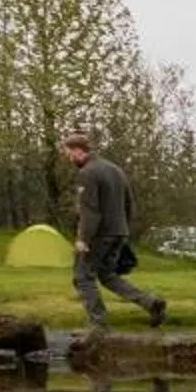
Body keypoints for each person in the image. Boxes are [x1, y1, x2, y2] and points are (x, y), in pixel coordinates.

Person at [63, 130, 164, 330]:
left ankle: (98, 324)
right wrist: (124, 230)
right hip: (119, 231)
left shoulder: (87, 173)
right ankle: (150, 303)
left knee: (82, 277)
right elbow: (129, 204)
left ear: (77, 151)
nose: (67, 158)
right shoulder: (116, 170)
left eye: (68, 153)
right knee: (107, 275)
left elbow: (90, 211)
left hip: (99, 234)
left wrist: (83, 238)